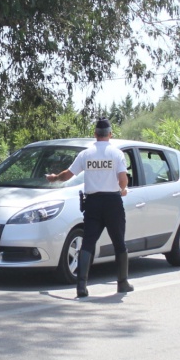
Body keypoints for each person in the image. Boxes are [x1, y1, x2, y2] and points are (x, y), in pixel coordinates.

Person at [46, 117, 132, 298]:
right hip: (112, 202)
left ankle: (81, 286)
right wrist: (122, 189)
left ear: (95, 134)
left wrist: (54, 178)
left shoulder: (86, 154)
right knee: (119, 242)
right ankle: (122, 283)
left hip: (92, 203)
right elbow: (123, 179)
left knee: (87, 243)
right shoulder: (116, 154)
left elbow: (68, 174)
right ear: (110, 134)